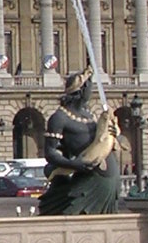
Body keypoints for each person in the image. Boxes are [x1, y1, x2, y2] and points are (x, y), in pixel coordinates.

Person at [39, 64, 123, 215]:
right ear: (80, 91)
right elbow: (50, 152)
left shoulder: (90, 115)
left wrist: (115, 132)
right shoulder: (59, 118)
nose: (91, 92)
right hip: (90, 179)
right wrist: (73, 164)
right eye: (89, 87)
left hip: (110, 178)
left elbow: (106, 141)